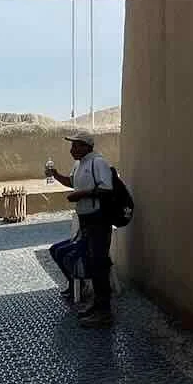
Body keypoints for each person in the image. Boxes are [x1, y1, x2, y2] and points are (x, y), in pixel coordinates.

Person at [47, 131, 114, 328]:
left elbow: (106, 189)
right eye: (72, 145)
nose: (72, 149)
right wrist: (56, 175)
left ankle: (105, 313)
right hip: (86, 220)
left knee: (100, 264)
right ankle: (97, 304)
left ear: (87, 146)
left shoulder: (98, 162)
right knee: (92, 262)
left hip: (98, 219)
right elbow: (73, 182)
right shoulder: (80, 164)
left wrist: (82, 195)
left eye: (76, 145)